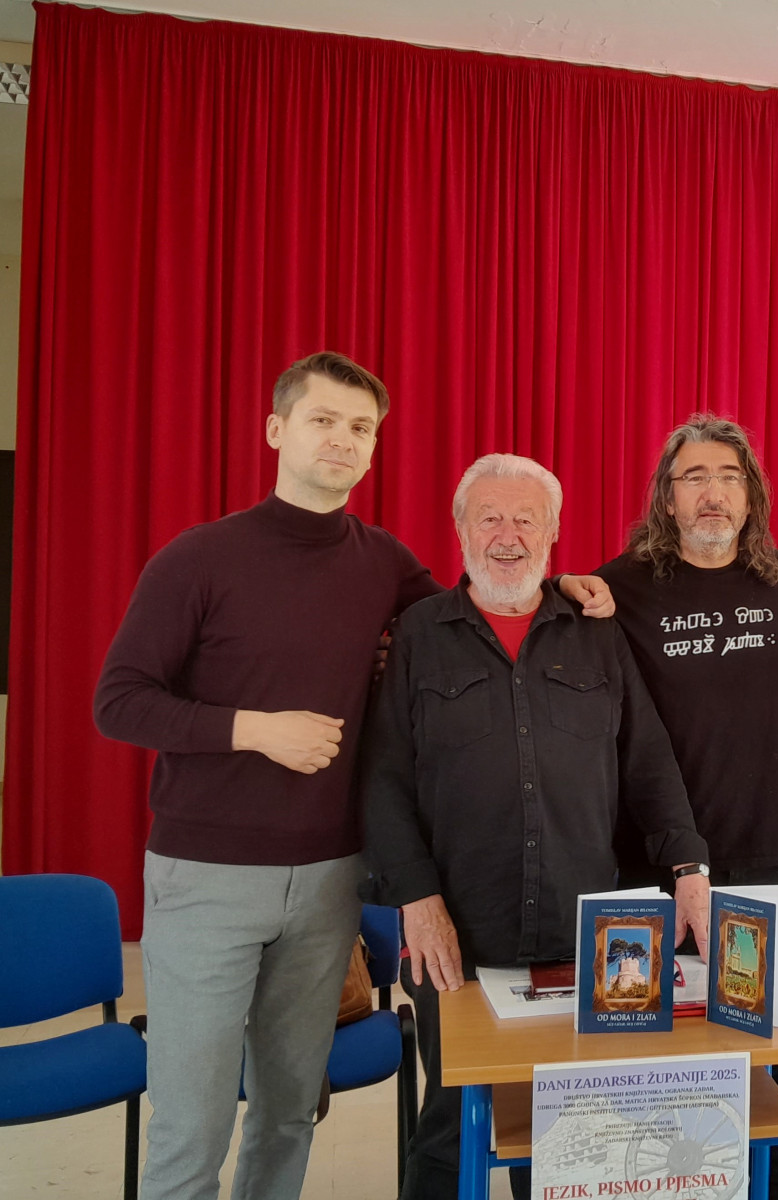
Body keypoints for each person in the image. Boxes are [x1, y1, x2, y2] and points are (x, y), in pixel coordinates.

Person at [94, 352, 440, 1200]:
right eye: (324, 420)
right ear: (277, 430)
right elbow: (119, 702)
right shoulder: (198, 558)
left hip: (329, 881)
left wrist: (574, 590)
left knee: (289, 1110)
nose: (344, 439)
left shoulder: (386, 563)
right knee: (193, 1125)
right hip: (205, 878)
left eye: (361, 428)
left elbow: (463, 627)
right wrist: (255, 730)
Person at [360, 453, 711, 1200]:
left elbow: (648, 761)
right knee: (452, 1121)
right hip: (456, 930)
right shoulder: (419, 633)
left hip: (582, 928)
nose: (507, 535)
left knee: (570, 1131)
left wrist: (688, 869)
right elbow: (383, 779)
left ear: (552, 533)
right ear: (460, 529)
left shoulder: (595, 629)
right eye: (489, 517)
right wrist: (416, 900)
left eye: (526, 519)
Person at [590, 415, 778, 1199]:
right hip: (651, 864)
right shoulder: (623, 585)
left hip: (767, 860)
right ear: (666, 498)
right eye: (693, 477)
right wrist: (562, 586)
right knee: (655, 1060)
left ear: (751, 495)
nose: (712, 493)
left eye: (729, 477)